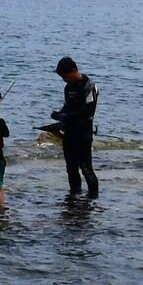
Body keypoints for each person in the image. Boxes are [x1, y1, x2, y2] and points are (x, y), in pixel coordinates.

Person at [52, 56, 99, 197]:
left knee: (86, 168)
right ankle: (75, 196)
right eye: (62, 77)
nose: (64, 80)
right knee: (71, 168)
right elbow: (67, 107)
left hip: (83, 133)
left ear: (74, 70)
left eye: (65, 76)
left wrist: (68, 116)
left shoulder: (89, 85)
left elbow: (89, 110)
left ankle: (93, 197)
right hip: (69, 133)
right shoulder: (68, 88)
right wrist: (58, 115)